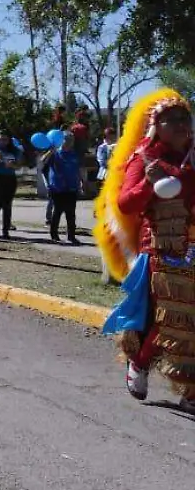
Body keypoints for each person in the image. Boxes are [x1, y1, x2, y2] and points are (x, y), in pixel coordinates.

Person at [99, 88, 195, 412]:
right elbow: (126, 204)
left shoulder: (193, 156)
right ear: (157, 125)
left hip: (192, 245)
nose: (182, 125)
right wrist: (149, 183)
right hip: (160, 251)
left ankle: (190, 390)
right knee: (166, 320)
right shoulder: (144, 158)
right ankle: (139, 363)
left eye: (186, 118)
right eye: (173, 120)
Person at [40, 132, 82, 244]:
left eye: (71, 140)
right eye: (66, 140)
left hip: (71, 187)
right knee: (57, 211)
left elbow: (77, 170)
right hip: (57, 187)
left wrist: (80, 183)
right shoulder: (55, 153)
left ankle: (71, 236)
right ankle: (54, 234)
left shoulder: (73, 154)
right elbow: (42, 161)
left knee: (71, 213)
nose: (68, 142)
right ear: (60, 141)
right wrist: (50, 152)